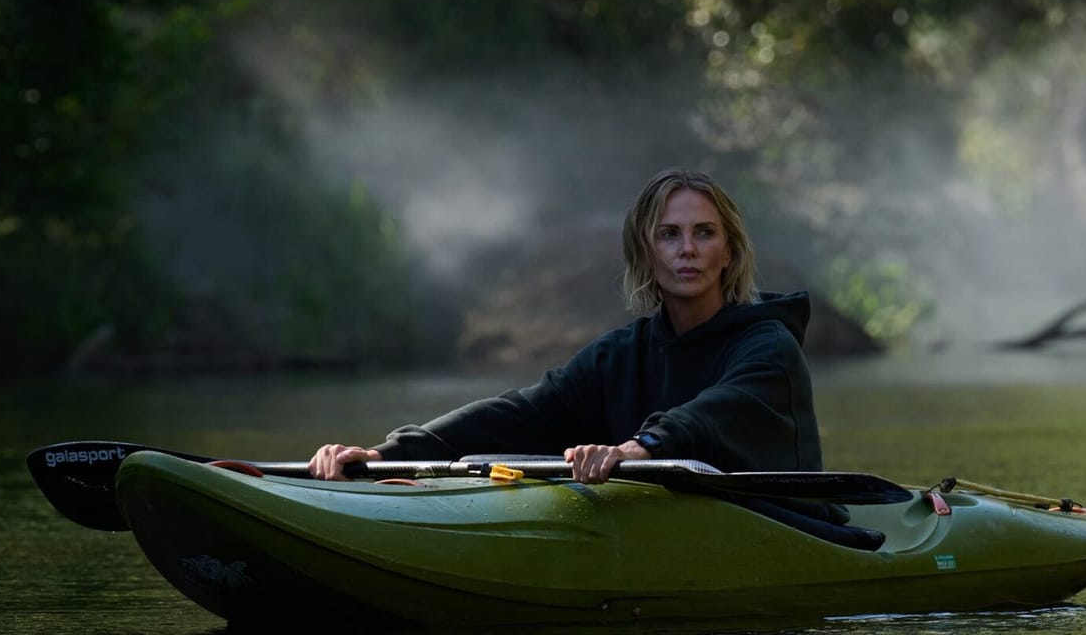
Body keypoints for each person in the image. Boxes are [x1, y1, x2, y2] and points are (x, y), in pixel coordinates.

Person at [307, 168, 822, 486]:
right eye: (669, 235)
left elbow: (711, 417)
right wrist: (386, 453)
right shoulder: (620, 356)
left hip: (791, 530)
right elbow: (521, 413)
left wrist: (632, 450)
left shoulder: (769, 346)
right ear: (646, 253)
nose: (687, 249)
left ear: (728, 250)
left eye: (704, 233)